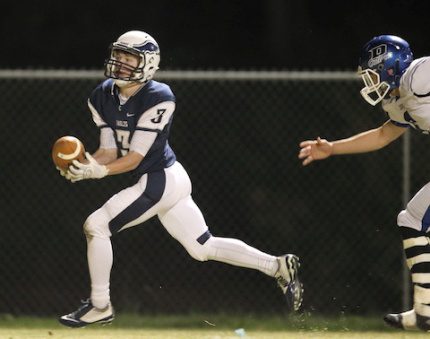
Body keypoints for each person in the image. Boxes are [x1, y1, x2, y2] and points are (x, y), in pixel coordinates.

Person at [57, 30, 303, 327]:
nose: (120, 63)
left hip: (160, 179)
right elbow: (109, 149)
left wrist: (100, 171)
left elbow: (134, 158)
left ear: (148, 63)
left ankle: (99, 305)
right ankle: (277, 266)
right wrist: (87, 165)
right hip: (167, 177)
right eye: (118, 56)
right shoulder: (101, 95)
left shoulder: (158, 96)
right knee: (203, 248)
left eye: (128, 57)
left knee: (96, 225)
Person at [298, 34, 430, 331]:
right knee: (412, 219)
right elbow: (383, 135)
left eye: (371, 74)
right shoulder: (401, 101)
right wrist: (332, 147)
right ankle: (425, 311)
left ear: (391, 66)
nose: (369, 82)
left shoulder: (419, 77)